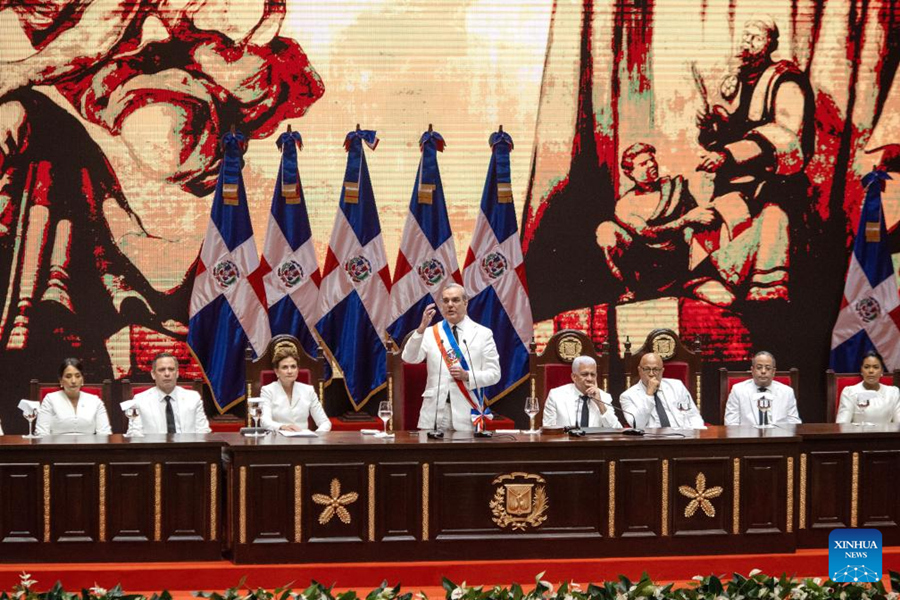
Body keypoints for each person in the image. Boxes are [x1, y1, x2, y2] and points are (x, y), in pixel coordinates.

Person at [693, 14, 815, 304]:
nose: (748, 43)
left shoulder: (786, 80)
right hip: (736, 185)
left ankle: (757, 291)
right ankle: (709, 282)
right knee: (709, 222)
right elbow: (733, 132)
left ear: (771, 43)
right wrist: (712, 127)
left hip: (774, 183)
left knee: (772, 221)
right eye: (746, 36)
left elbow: (784, 135)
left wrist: (727, 154)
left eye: (756, 38)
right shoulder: (738, 80)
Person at [595, 143, 716, 302]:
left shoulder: (675, 188)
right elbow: (648, 234)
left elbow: (697, 217)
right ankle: (632, 289)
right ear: (629, 172)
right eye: (643, 163)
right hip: (649, 266)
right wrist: (686, 219)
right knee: (606, 230)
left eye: (652, 160)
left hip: (681, 259)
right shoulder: (625, 204)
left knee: (692, 230)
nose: (651, 165)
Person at [401, 283, 501, 432]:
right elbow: (409, 358)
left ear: (465, 303)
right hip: (434, 413)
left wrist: (467, 376)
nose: (450, 305)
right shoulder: (430, 333)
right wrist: (421, 329)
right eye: (446, 301)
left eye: (455, 300)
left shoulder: (482, 334)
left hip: (467, 413)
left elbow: (494, 375)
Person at [126, 352, 211, 435]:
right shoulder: (139, 400)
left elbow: (203, 432)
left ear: (177, 373)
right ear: (153, 374)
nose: (167, 374)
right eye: (161, 370)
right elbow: (134, 435)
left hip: (187, 448)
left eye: (171, 369)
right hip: (154, 448)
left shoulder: (193, 398)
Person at [620, 352, 704, 429]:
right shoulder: (627, 396)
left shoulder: (677, 386)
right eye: (647, 369)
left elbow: (693, 416)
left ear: (662, 371)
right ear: (639, 370)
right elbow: (637, 424)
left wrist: (695, 437)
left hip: (681, 437)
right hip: (651, 441)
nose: (651, 374)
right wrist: (649, 395)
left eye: (656, 369)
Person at [259, 342, 331, 432]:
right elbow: (264, 421)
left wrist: (315, 437)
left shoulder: (308, 390)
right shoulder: (267, 390)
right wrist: (282, 427)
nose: (290, 371)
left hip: (303, 442)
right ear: (276, 371)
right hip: (277, 440)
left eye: (293, 367)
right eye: (285, 367)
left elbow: (325, 422)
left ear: (297, 370)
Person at [35, 358, 112, 436]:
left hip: (89, 446)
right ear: (61, 380)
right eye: (68, 376)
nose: (73, 381)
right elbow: (41, 433)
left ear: (82, 380)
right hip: (57, 447)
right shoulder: (50, 399)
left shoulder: (95, 401)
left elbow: (104, 433)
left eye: (78, 376)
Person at [723, 351, 801, 426]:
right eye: (759, 367)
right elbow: (731, 424)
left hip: (779, 437)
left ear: (773, 372)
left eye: (768, 368)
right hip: (748, 438)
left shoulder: (787, 392)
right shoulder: (738, 390)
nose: (763, 371)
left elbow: (794, 424)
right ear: (752, 370)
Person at [542, 356, 622, 429]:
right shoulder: (556, 396)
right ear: (574, 377)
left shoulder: (604, 397)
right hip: (565, 443)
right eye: (585, 374)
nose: (589, 379)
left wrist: (600, 404)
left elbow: (617, 430)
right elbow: (548, 431)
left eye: (593, 375)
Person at [836, 351, 900, 424]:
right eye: (866, 367)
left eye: (876, 367)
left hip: (886, 435)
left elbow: (898, 425)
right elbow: (841, 425)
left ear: (882, 371)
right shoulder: (850, 392)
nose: (871, 371)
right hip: (858, 434)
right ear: (861, 370)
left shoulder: (893, 392)